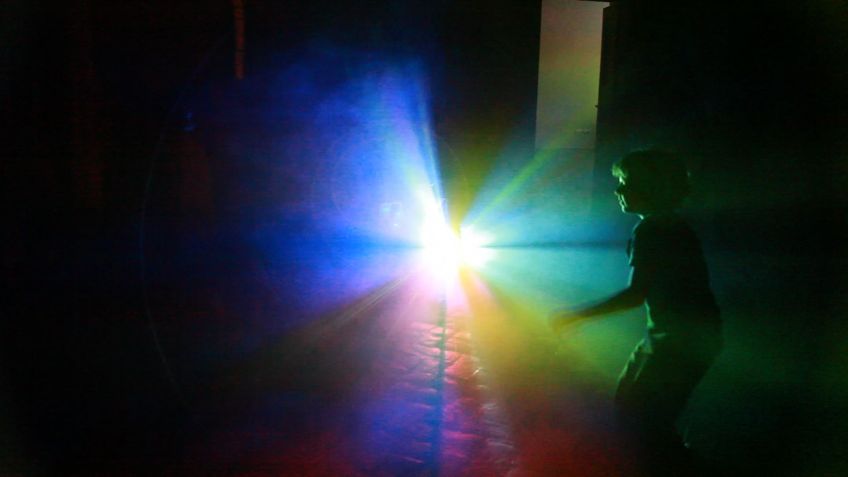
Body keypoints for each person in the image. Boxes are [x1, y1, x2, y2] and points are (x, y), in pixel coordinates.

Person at [549, 149, 722, 475]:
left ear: (651, 186)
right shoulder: (671, 226)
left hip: (678, 341)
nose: (618, 190)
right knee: (638, 412)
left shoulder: (651, 230)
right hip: (680, 337)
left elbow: (634, 295)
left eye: (626, 182)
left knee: (641, 419)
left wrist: (576, 316)